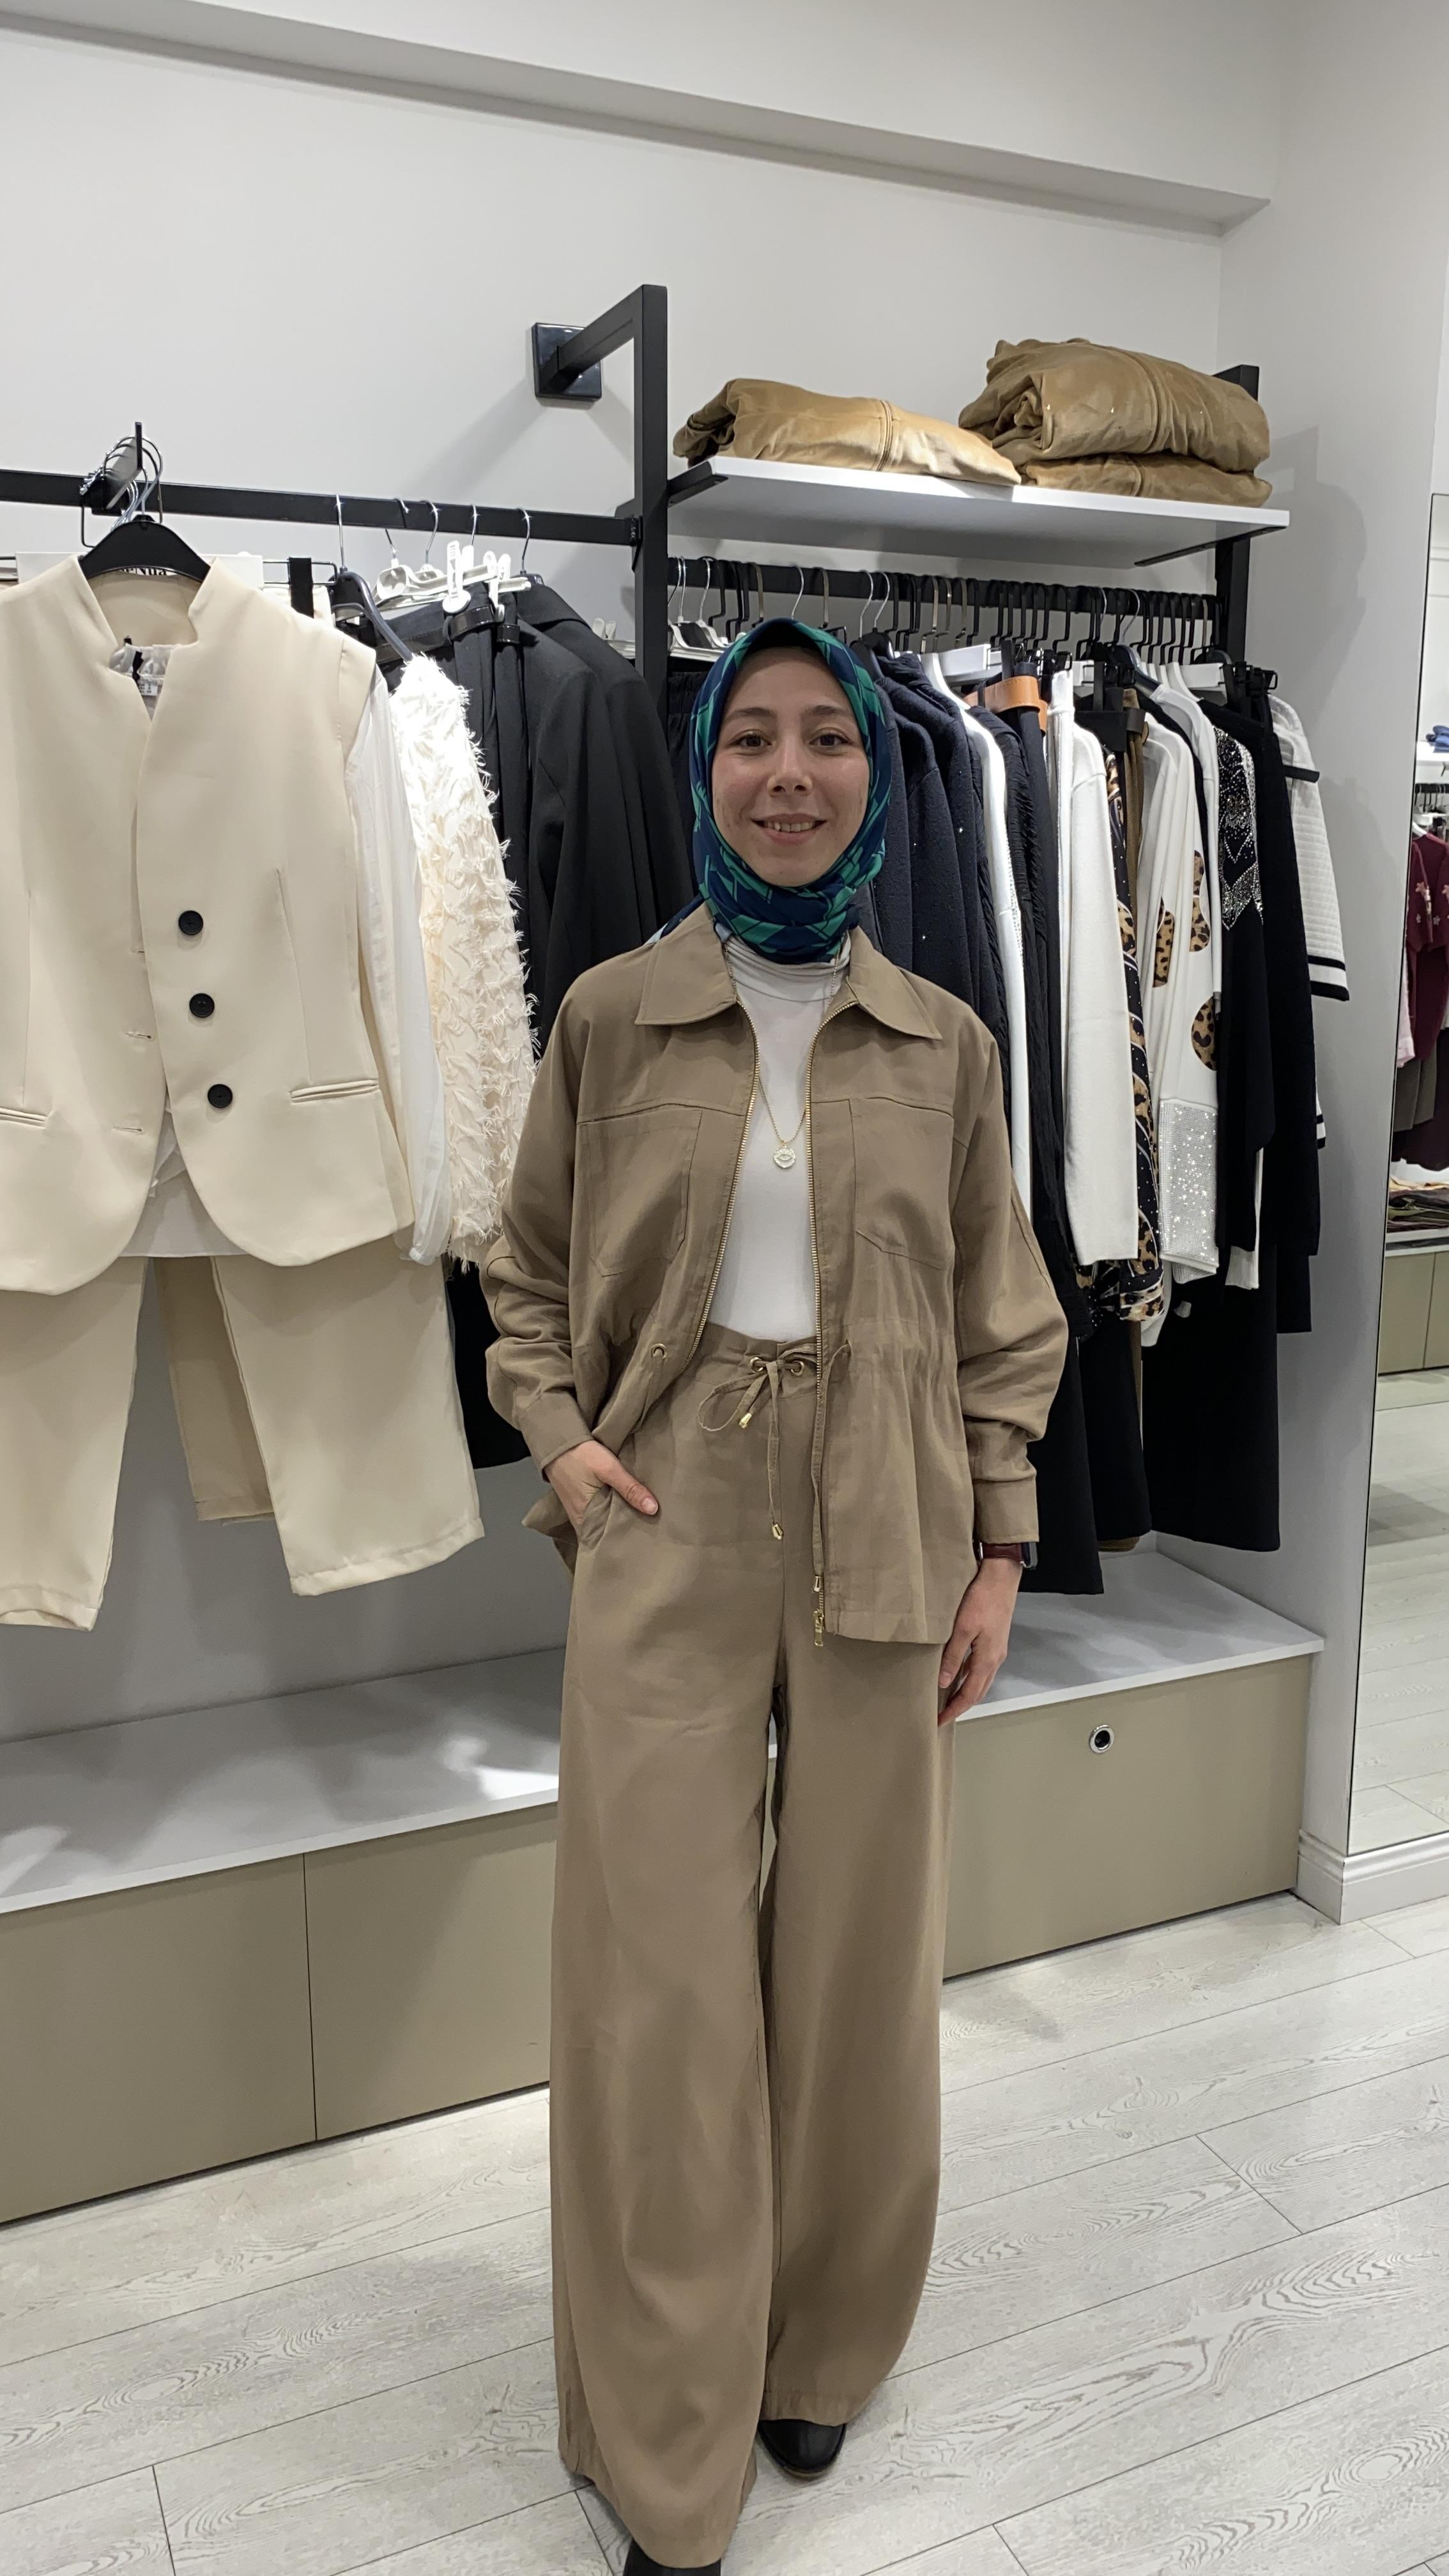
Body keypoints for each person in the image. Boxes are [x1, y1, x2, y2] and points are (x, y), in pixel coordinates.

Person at [484, 620, 1067, 2575]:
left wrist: (1000, 1545)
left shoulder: (941, 1042)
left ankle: (818, 2343)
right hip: (666, 1510)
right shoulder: (613, 1015)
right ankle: (664, 2442)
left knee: (852, 1966)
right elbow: (525, 1269)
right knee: (655, 1988)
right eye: (752, 737)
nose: (791, 772)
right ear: (705, 766)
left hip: (892, 1508)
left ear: (879, 776)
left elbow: (1001, 1314)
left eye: (828, 737)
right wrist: (561, 1442)